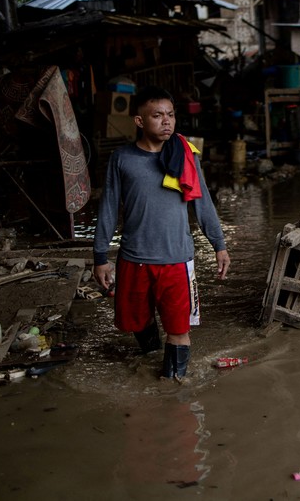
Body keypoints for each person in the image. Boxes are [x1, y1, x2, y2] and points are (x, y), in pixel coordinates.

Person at [92, 85, 230, 382]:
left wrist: (219, 244)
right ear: (140, 121)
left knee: (178, 330)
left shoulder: (185, 154)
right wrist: (100, 256)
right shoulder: (122, 159)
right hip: (133, 259)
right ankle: (151, 360)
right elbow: (108, 208)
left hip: (177, 260)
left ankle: (171, 390)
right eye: (157, 115)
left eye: (170, 115)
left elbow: (203, 201)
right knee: (138, 323)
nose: (166, 121)